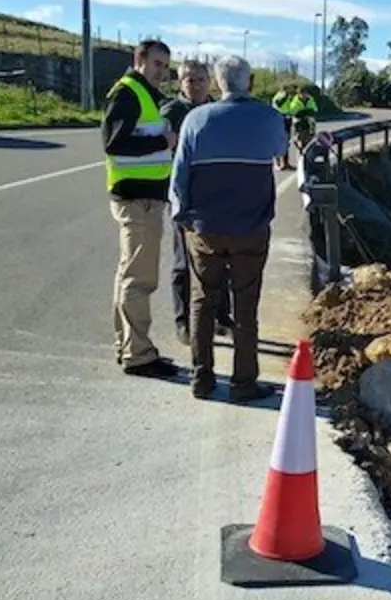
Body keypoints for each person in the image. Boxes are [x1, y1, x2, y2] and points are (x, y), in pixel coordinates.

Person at [169, 55, 288, 402]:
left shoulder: (195, 119)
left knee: (202, 301)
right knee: (245, 305)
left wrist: (183, 217)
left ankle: (201, 378)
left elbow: (180, 177)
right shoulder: (269, 117)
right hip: (251, 228)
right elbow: (280, 150)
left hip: (205, 228)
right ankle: (243, 382)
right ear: (248, 83)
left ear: (219, 83)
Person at [101, 39, 178, 378]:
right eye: (157, 64)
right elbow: (115, 143)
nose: (162, 71)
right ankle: (139, 354)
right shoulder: (128, 93)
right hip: (138, 199)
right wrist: (163, 142)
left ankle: (128, 346)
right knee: (139, 278)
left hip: (141, 197)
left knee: (128, 274)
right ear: (140, 60)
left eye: (165, 65)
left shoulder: (141, 93)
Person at [161, 59, 233, 345]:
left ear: (210, 81)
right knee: (183, 261)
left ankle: (221, 315)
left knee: (222, 257)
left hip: (216, 196)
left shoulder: (218, 111)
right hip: (184, 196)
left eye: (201, 79)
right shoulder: (171, 112)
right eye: (190, 80)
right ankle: (184, 322)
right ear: (181, 83)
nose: (196, 84)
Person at [271, 87, 293, 170]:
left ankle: (286, 163)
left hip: (287, 119)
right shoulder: (278, 97)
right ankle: (278, 163)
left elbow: (291, 107)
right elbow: (279, 104)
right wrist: (285, 97)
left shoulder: (288, 97)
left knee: (286, 142)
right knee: (278, 141)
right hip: (279, 118)